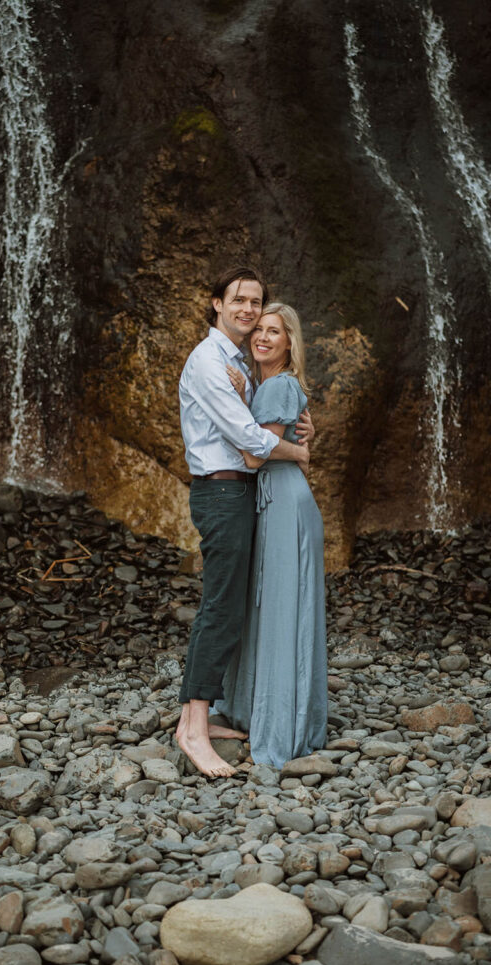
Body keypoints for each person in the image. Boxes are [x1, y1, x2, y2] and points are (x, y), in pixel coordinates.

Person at [176, 268, 314, 778]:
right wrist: (300, 450)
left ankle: (202, 711)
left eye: (256, 302)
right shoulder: (209, 362)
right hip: (223, 489)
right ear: (217, 303)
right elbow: (250, 440)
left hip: (241, 490)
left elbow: (276, 407)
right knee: (222, 607)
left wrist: (301, 423)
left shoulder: (240, 361)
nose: (249, 310)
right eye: (238, 300)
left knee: (229, 604)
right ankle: (192, 728)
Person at [216, 302, 327, 768]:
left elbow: (257, 457)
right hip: (278, 503)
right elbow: (273, 441)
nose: (262, 337)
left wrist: (299, 455)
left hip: (284, 505)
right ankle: (258, 710)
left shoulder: (278, 385)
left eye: (274, 331)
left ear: (289, 342)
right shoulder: (268, 385)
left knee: (280, 610)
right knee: (270, 607)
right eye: (258, 329)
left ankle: (281, 728)